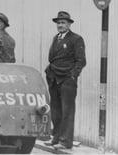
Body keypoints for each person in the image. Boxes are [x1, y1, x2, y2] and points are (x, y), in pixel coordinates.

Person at [44, 11, 86, 151]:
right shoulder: (56, 38)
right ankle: (55, 137)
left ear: (69, 24)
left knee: (67, 110)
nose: (60, 25)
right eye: (58, 23)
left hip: (67, 79)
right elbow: (52, 57)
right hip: (54, 77)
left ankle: (65, 141)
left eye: (63, 23)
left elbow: (81, 61)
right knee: (55, 110)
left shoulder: (76, 39)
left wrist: (73, 75)